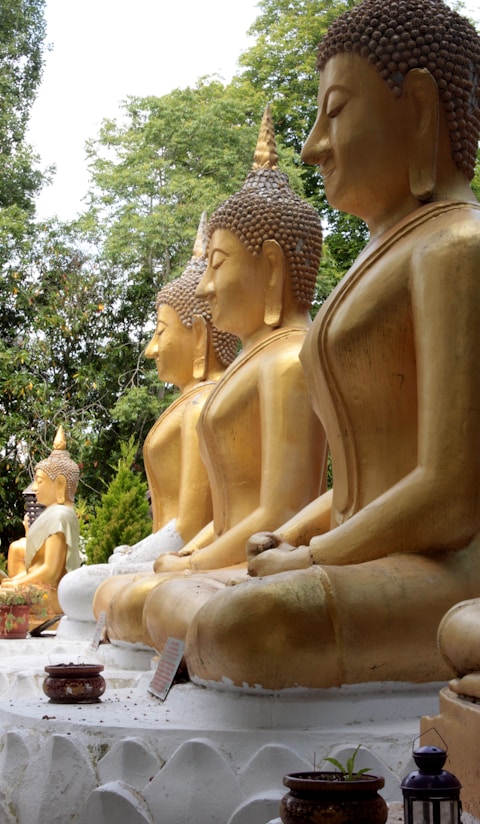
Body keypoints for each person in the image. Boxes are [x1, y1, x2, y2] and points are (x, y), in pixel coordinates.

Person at [183, 0, 480, 691]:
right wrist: (291, 539)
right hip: (363, 552)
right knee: (184, 606)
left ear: (419, 108)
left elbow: (450, 492)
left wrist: (314, 555)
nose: (314, 142)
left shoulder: (457, 247)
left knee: (240, 627)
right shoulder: (386, 254)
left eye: (336, 110)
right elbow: (352, 487)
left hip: (444, 565)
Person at [98, 106, 327, 650]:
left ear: (271, 268)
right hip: (229, 557)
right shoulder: (253, 364)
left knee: (184, 607)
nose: (205, 287)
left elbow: (281, 511)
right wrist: (186, 556)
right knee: (121, 596)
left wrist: (192, 561)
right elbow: (222, 519)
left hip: (264, 561)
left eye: (218, 265)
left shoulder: (289, 358)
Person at [59, 219, 238, 628]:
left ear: (198, 335)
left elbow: (192, 524)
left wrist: (139, 558)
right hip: (170, 558)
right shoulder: (190, 402)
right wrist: (134, 553)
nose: (151, 348)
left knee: (74, 588)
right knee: (82, 589)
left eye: (161, 332)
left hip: (191, 557)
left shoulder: (204, 402)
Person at [3, 427, 80, 615]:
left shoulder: (61, 516)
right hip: (36, 588)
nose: (35, 487)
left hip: (49, 596)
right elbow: (36, 567)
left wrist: (16, 583)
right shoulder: (53, 514)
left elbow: (51, 572)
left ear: (60, 484)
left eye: (40, 481)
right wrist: (15, 581)